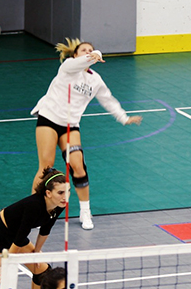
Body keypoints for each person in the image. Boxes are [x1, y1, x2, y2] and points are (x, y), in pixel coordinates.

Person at [31, 38, 142, 230]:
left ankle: (85, 211)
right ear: (75, 55)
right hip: (48, 119)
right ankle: (34, 210)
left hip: (70, 125)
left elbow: (108, 99)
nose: (88, 53)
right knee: (46, 167)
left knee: (78, 165)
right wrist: (95, 54)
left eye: (90, 50)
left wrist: (124, 118)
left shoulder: (95, 80)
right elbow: (83, 61)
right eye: (84, 50)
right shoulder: (67, 67)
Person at [0, 167, 68, 289]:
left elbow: (46, 229)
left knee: (43, 271)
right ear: (48, 193)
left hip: (14, 236)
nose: (65, 197)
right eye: (60, 193)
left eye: (67, 191)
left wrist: (37, 252)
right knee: (1, 283)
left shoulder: (59, 205)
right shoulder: (34, 206)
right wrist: (6, 264)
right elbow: (20, 238)